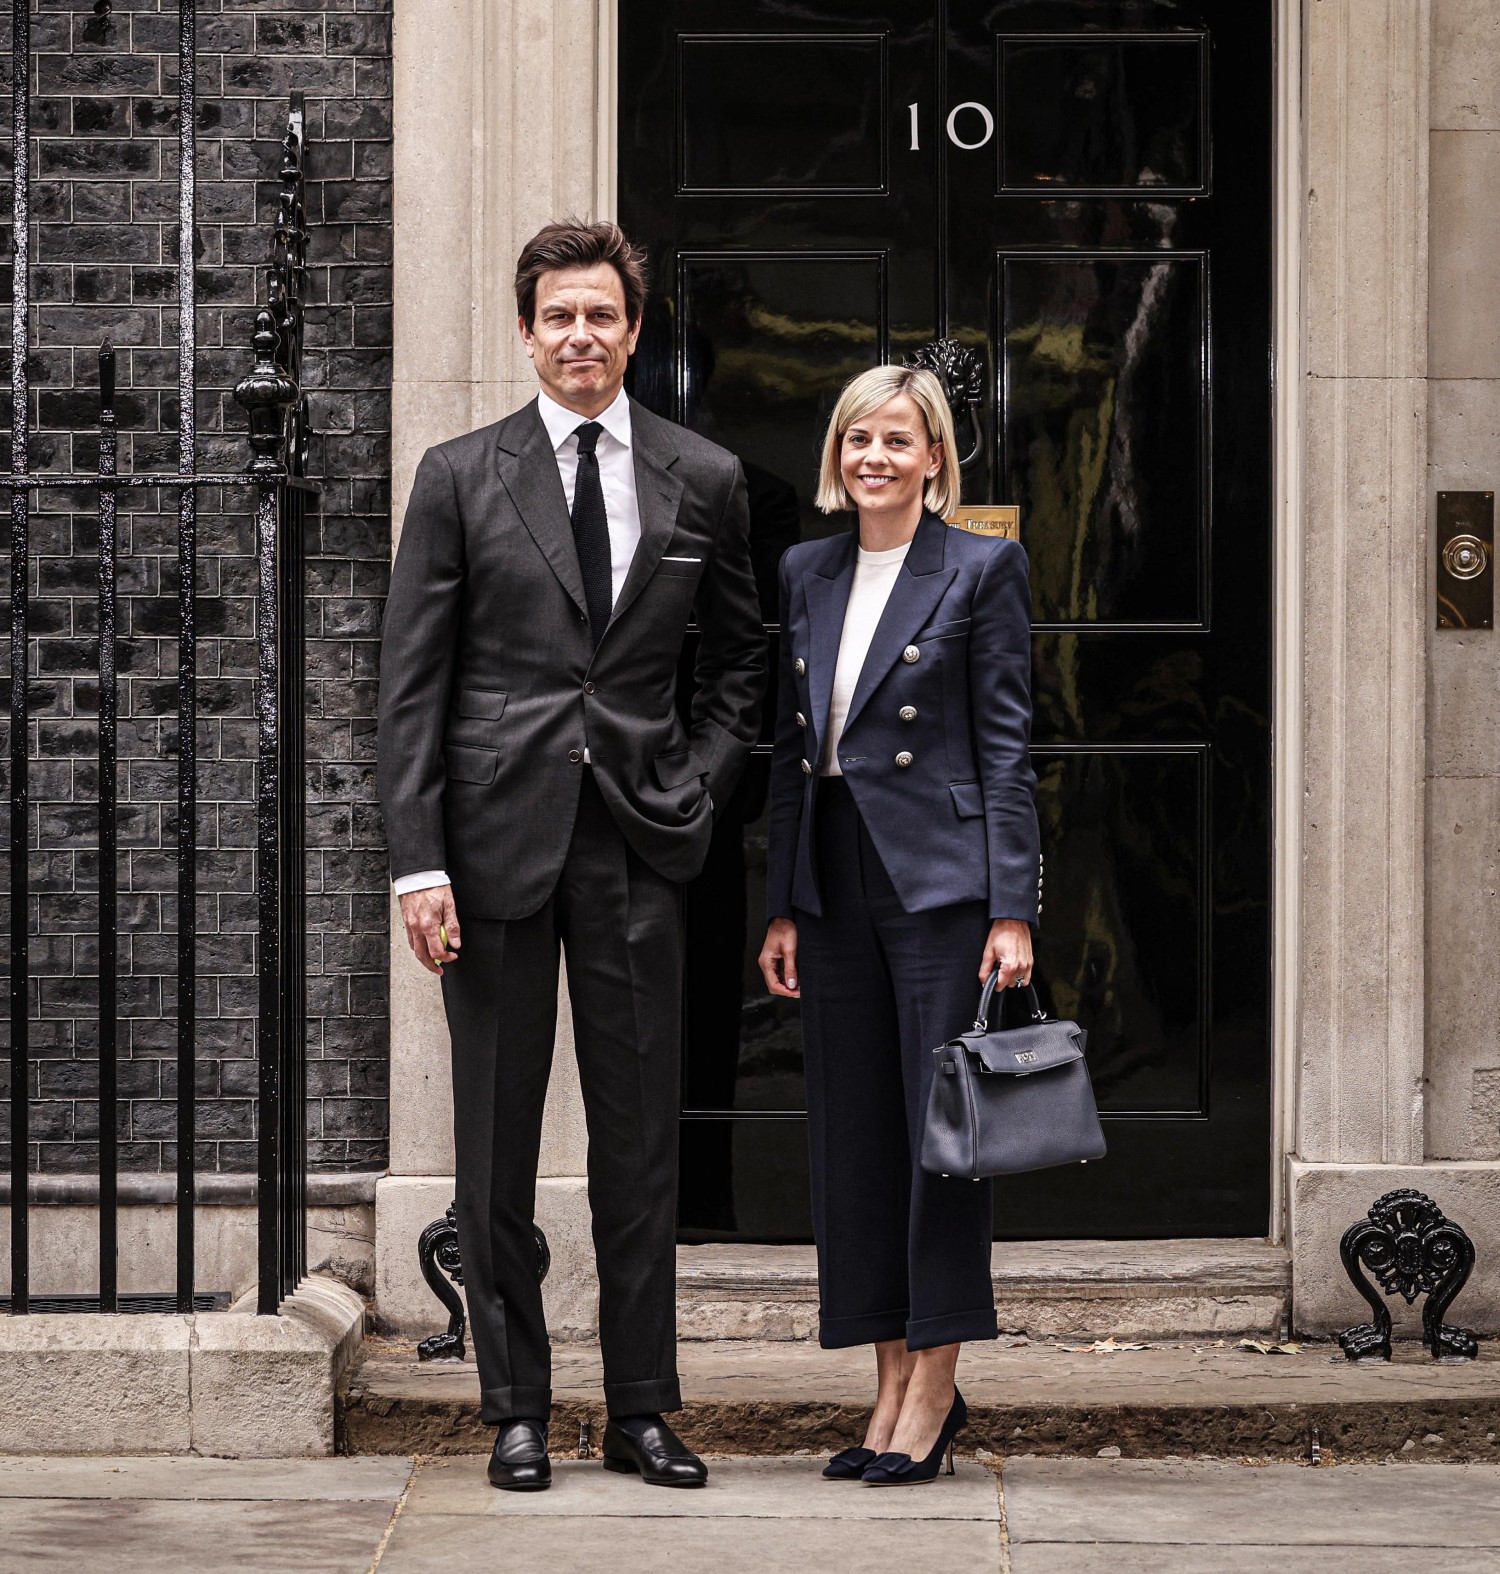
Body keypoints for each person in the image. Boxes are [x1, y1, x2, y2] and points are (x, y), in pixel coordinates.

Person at [378, 220, 765, 1492]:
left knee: (640, 1147)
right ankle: (515, 1405)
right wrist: (416, 861)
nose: (582, 336)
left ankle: (644, 1408)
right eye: (559, 316)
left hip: (639, 847)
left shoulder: (703, 476)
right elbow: (410, 687)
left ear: (634, 328)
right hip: (491, 846)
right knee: (493, 1148)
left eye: (603, 315)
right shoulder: (457, 475)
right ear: (529, 328)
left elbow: (740, 661)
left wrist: (698, 785)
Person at [758, 365, 1040, 1485]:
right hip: (831, 877)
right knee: (855, 1140)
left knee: (941, 1144)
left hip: (941, 884)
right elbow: (793, 750)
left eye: (897, 439)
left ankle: (933, 1386)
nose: (874, 456)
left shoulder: (983, 566)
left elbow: (1010, 746)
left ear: (934, 458)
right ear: (837, 454)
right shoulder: (806, 567)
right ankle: (882, 1379)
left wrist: (1013, 906)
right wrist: (780, 897)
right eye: (857, 437)